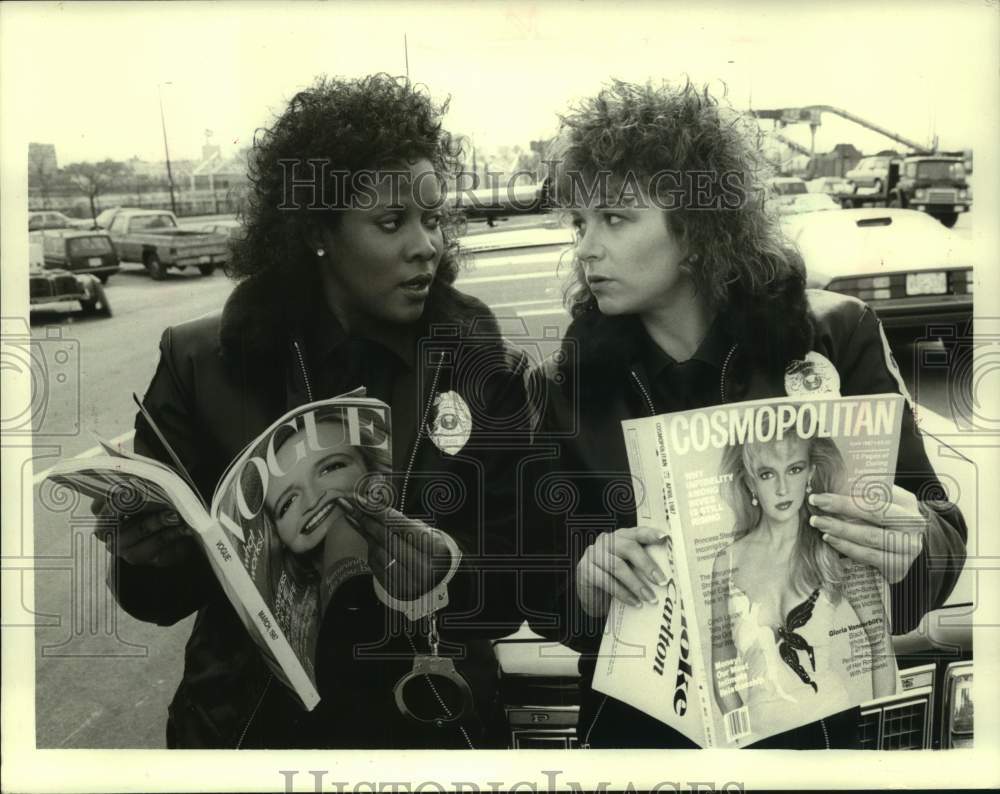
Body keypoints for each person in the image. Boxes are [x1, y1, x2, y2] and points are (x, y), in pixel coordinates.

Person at [527, 79, 967, 749]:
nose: (586, 247)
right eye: (579, 223)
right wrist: (586, 583)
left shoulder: (833, 339)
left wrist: (913, 550)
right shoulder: (568, 384)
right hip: (641, 742)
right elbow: (540, 588)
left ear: (698, 231)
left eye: (615, 219)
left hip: (810, 736)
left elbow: (935, 538)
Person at [97, 74, 531, 749]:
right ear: (318, 232)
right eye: (391, 222)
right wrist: (144, 554)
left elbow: (516, 574)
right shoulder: (202, 361)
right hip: (253, 732)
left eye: (434, 217)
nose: (427, 245)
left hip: (431, 727)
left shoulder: (473, 354)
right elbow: (157, 602)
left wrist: (442, 573)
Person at [710, 431, 895, 741]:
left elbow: (881, 644)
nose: (782, 488)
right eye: (767, 474)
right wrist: (741, 740)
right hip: (762, 743)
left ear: (810, 472)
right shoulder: (726, 563)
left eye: (794, 469)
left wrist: (878, 738)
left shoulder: (834, 544)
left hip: (834, 728)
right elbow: (723, 669)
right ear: (750, 483)